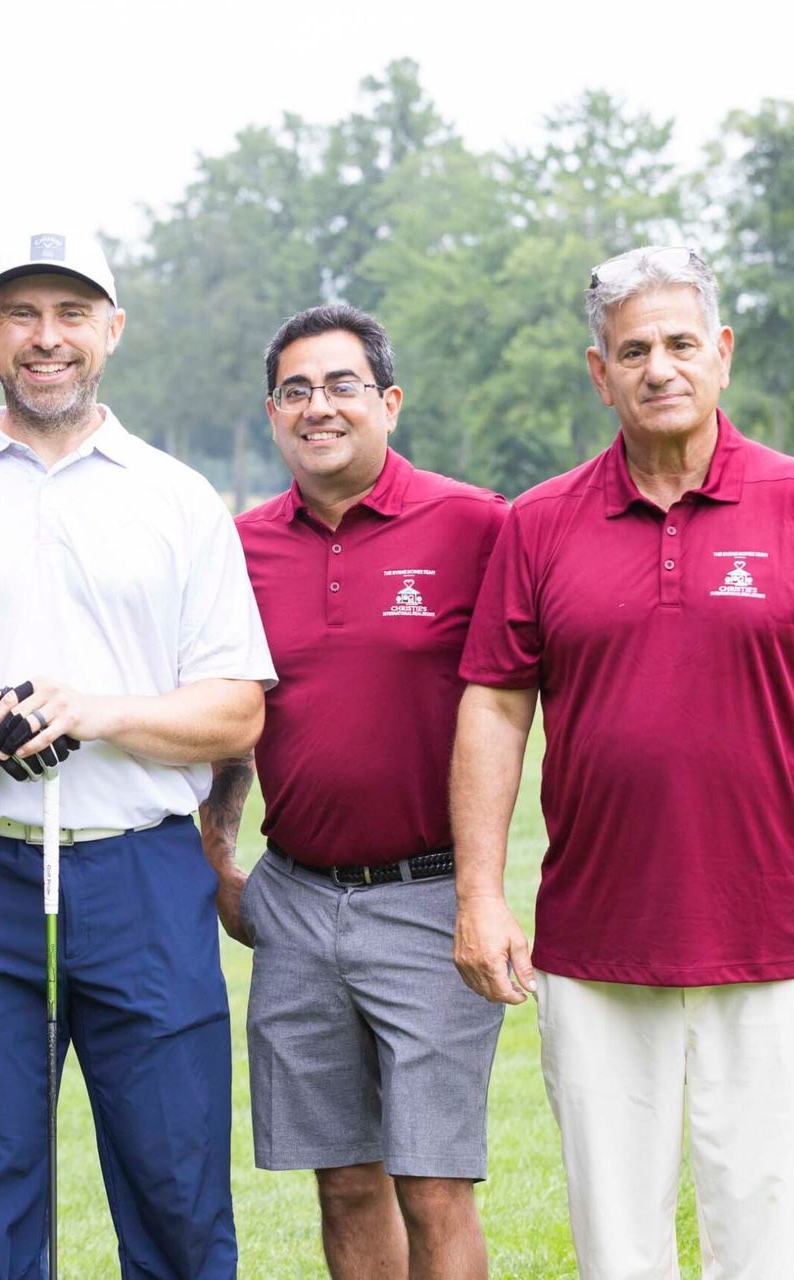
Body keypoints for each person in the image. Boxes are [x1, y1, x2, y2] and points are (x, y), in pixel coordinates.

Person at [451, 246, 794, 1279]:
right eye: (634, 349)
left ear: (721, 354)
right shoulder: (540, 522)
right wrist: (479, 892)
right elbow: (494, 705)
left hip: (781, 933)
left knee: (762, 1238)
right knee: (616, 1245)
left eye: (678, 343)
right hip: (596, 939)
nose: (658, 367)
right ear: (599, 371)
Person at [0, 231, 275, 1279]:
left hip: (141, 872)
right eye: (23, 314)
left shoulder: (176, 499)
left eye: (72, 314)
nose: (48, 338)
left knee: (176, 1189)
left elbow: (235, 711)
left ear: (110, 331)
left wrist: (97, 711)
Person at [203, 304, 509, 1280]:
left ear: (389, 401)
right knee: (341, 1176)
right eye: (297, 390)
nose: (319, 407)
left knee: (435, 1182)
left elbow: (546, 683)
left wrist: (483, 896)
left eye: (341, 385)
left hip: (431, 897)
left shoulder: (475, 525)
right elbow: (232, 712)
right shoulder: (239, 547)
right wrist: (220, 851)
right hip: (295, 896)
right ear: (272, 412)